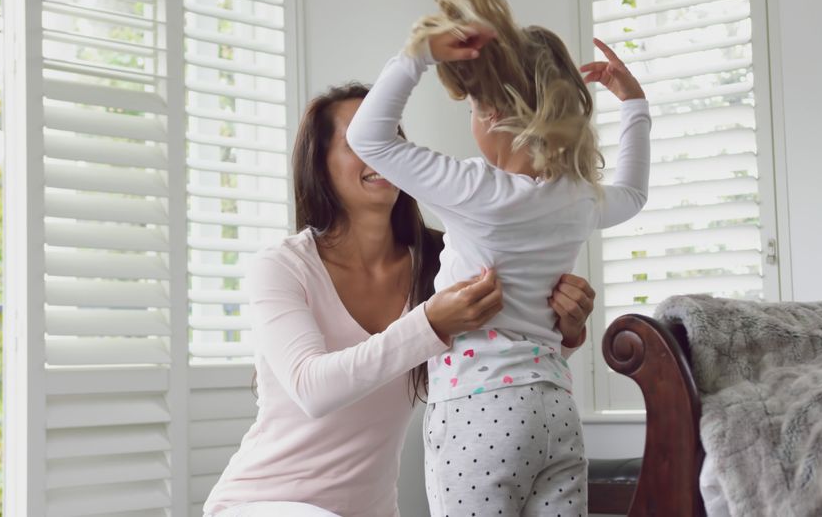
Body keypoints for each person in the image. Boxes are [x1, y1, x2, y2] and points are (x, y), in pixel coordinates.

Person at [202, 83, 597, 517]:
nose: (380, 147)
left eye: (390, 134)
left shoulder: (446, 262)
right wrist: (430, 322)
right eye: (359, 139)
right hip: (260, 503)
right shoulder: (281, 266)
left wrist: (567, 329)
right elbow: (312, 388)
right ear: (320, 164)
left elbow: (500, 365)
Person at [346, 0, 650, 515]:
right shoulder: (576, 194)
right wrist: (634, 107)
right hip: (555, 408)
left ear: (490, 113)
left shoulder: (475, 190)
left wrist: (416, 56)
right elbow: (631, 197)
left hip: (478, 405)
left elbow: (370, 138)